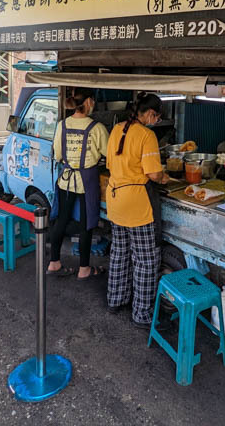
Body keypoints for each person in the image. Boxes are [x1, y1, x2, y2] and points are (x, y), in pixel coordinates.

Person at [106, 92, 170, 329]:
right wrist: (164, 178)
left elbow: (112, 164)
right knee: (145, 261)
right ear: (151, 114)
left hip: (115, 198)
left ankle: (115, 299)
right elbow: (153, 174)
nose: (156, 121)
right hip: (137, 204)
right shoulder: (147, 135)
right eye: (157, 116)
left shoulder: (117, 129)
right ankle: (142, 314)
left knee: (119, 253)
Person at [46, 88, 109, 280]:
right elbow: (109, 155)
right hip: (87, 181)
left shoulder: (62, 125)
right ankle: (84, 269)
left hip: (66, 180)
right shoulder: (97, 128)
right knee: (86, 224)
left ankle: (54, 262)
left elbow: (57, 155)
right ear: (89, 102)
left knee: (61, 221)